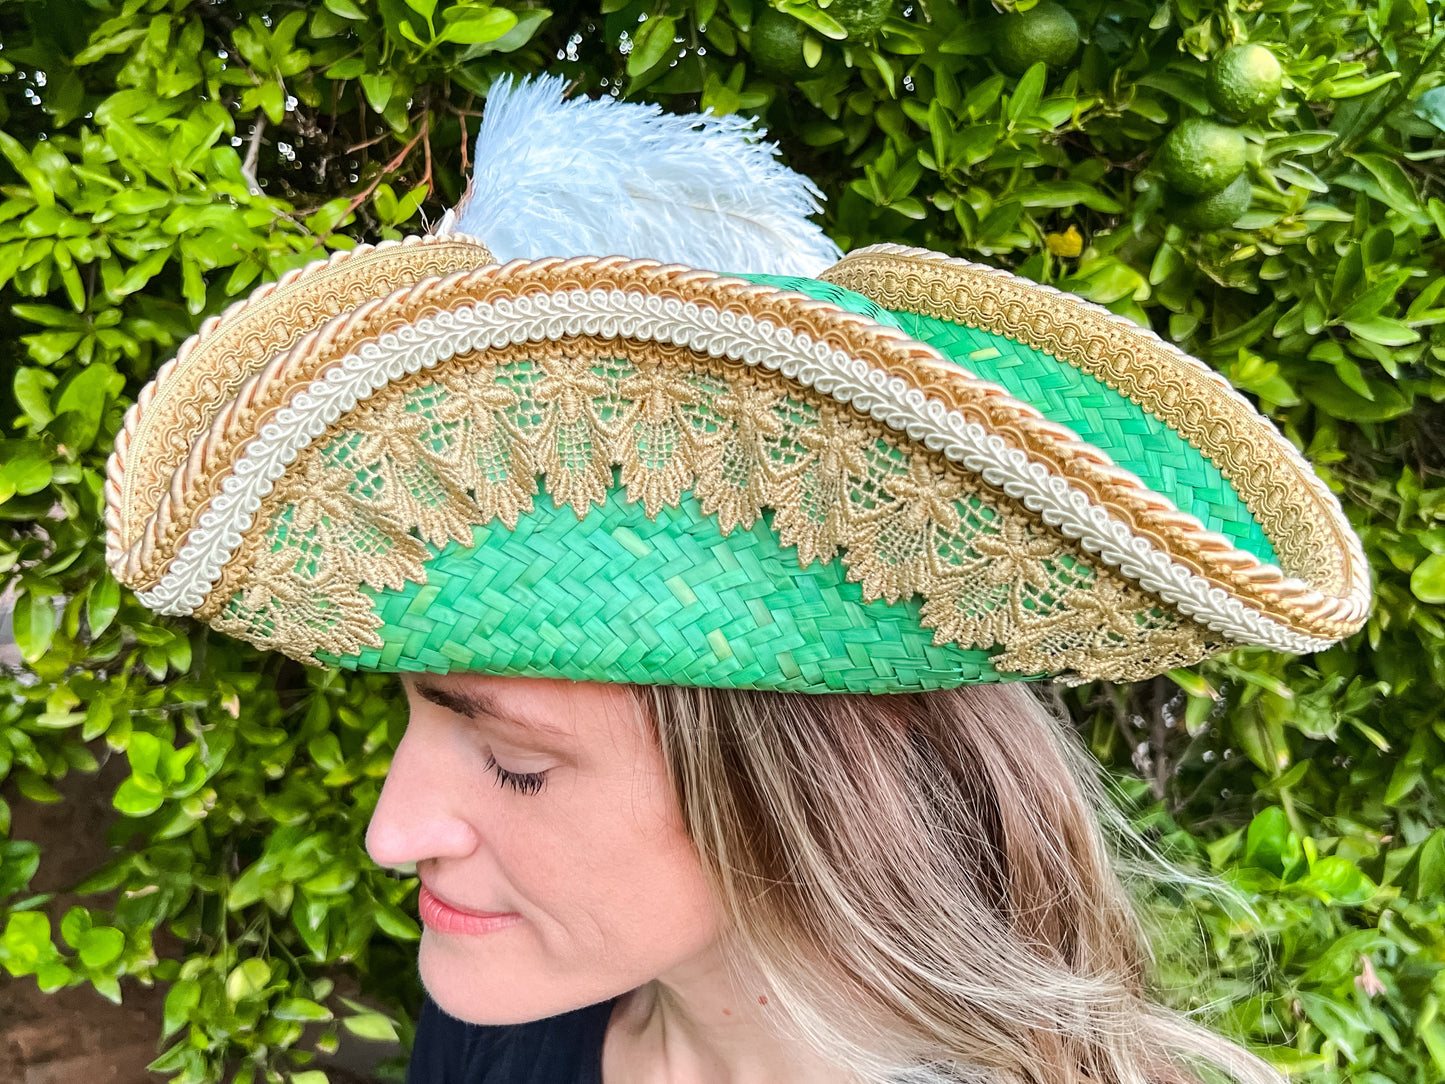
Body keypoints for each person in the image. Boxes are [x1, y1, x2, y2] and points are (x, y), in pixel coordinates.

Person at [103, 74, 1369, 1083]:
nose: (391, 832)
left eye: (517, 762)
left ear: (810, 774)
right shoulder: (501, 1034)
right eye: (416, 713)